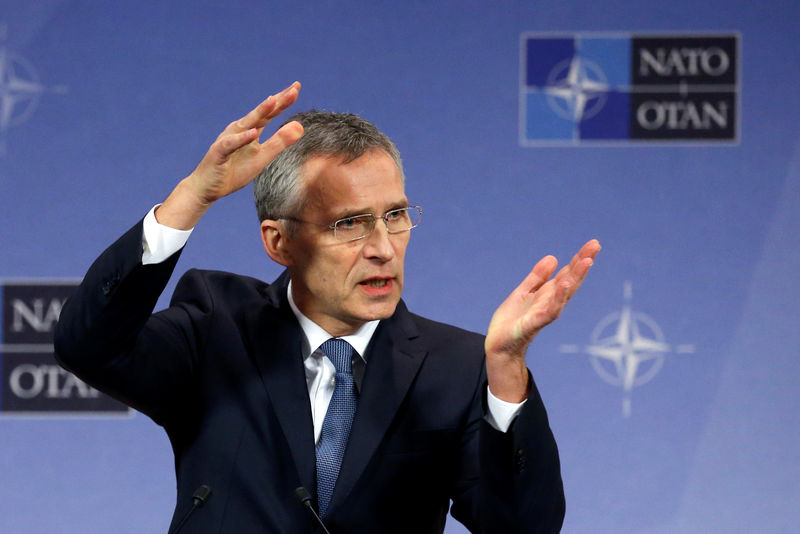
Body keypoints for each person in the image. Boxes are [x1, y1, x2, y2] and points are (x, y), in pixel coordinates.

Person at [55, 81, 600, 533]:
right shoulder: (216, 325)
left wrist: (506, 371)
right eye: (350, 223)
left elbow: (525, 528)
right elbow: (88, 346)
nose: (383, 247)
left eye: (395, 215)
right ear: (279, 242)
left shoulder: (458, 366)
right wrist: (190, 198)